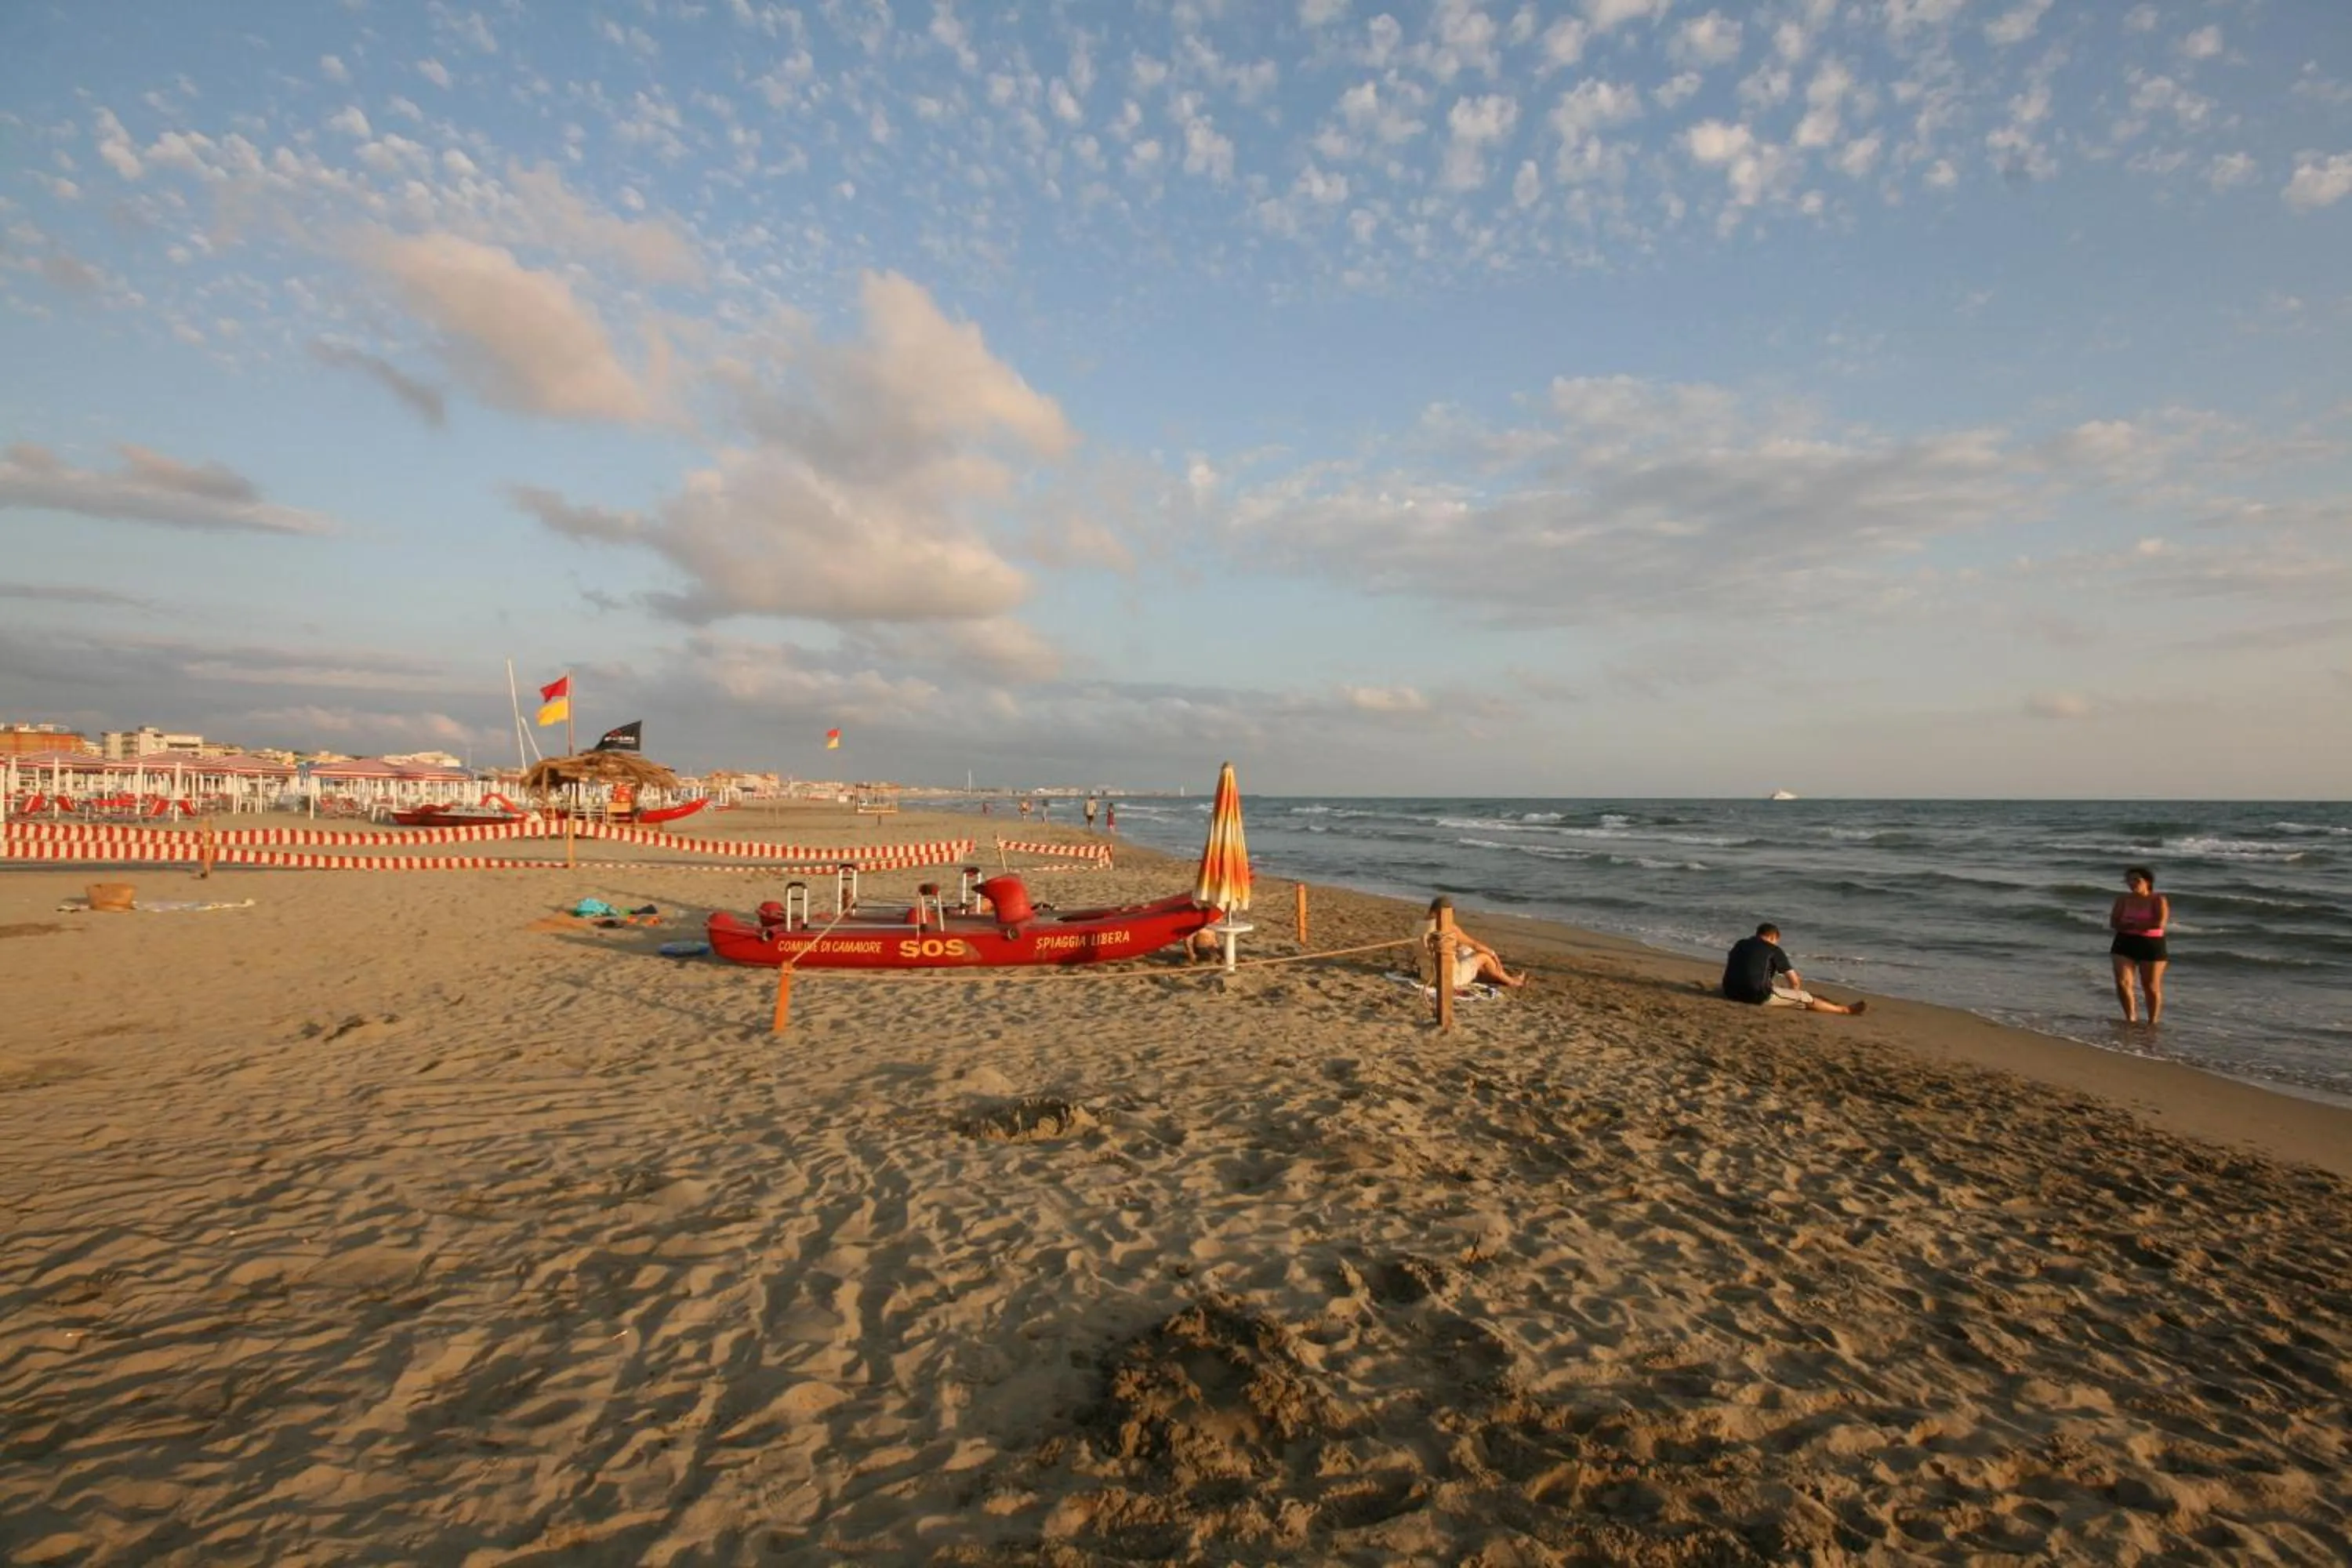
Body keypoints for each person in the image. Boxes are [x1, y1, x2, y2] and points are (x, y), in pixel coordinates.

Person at [1721, 924, 1866, 1014]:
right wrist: (1795, 993)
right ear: (1773, 937)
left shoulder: (1740, 944)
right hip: (1755, 995)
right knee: (1805, 998)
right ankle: (1844, 1010)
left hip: (1729, 991)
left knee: (1784, 993)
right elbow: (1794, 980)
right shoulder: (1774, 950)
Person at [1417, 896, 1526, 990]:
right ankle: (1512, 981)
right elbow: (1474, 944)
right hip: (1448, 978)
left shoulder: (1419, 925)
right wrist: (1494, 955)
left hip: (1426, 975)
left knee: (1465, 950)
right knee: (1484, 957)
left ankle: (1496, 976)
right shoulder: (1448, 928)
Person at [2108, 866, 2170, 1025]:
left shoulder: (2158, 899)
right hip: (2124, 942)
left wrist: (2132, 924)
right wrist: (2136, 925)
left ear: (2147, 882)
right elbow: (2114, 922)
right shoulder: (2122, 899)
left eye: (2136, 879)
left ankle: (2153, 1022)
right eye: (2129, 880)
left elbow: (2159, 923)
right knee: (2123, 982)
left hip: (2151, 943)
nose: (2132, 883)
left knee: (2150, 986)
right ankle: (2131, 1018)